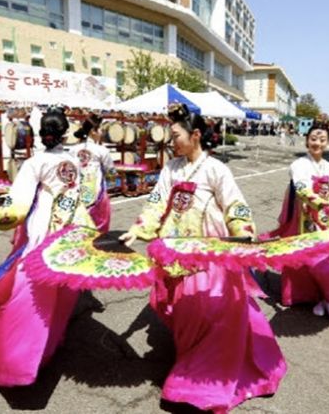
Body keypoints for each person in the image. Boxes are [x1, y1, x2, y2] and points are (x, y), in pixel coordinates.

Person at [119, 104, 286, 412]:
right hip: (174, 249)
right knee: (184, 311)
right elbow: (156, 203)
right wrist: (138, 229)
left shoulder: (216, 169)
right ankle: (189, 359)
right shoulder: (171, 168)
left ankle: (199, 382)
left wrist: (243, 231)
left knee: (208, 311)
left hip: (209, 250)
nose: (172, 141)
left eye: (176, 135)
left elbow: (235, 204)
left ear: (195, 135)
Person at [0, 108, 92, 387]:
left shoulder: (35, 163)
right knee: (62, 293)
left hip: (43, 233)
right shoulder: (73, 161)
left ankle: (17, 364)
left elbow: (15, 209)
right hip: (71, 232)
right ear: (65, 132)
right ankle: (50, 345)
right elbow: (80, 197)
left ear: (40, 134)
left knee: (31, 297)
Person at [260, 123, 329, 321]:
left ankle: (326, 297)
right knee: (299, 258)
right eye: (314, 138)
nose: (317, 143)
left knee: (323, 259)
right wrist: (318, 202)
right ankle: (304, 296)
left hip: (324, 217)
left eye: (322, 139)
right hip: (301, 217)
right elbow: (301, 187)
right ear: (307, 140)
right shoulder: (298, 164)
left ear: (328, 143)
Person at [69, 113, 115, 233]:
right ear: (93, 132)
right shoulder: (102, 150)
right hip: (97, 192)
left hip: (77, 190)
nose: (101, 132)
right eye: (99, 129)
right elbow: (110, 170)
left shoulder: (72, 150)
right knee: (98, 224)